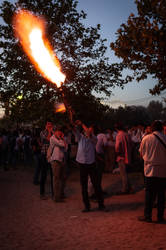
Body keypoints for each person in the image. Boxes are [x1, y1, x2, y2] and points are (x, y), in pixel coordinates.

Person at [74, 120, 105, 212]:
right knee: (83, 186)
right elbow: (76, 131)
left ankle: (101, 204)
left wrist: (82, 124)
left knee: (96, 185)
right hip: (82, 163)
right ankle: (87, 206)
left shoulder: (94, 138)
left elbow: (89, 134)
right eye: (88, 129)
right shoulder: (80, 137)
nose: (89, 131)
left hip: (91, 163)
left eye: (90, 130)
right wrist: (76, 124)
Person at [138, 120, 166, 223]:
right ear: (162, 128)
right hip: (163, 170)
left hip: (150, 170)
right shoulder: (165, 138)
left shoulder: (146, 138)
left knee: (149, 195)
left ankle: (148, 216)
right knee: (161, 195)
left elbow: (141, 154)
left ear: (152, 128)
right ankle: (160, 217)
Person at [48, 126, 67, 202]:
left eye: (60, 131)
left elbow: (66, 148)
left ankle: (61, 194)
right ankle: (56, 197)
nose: (59, 133)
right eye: (58, 131)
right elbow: (63, 145)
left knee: (63, 178)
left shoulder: (61, 139)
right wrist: (62, 140)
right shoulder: (52, 138)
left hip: (62, 160)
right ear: (55, 132)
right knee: (56, 179)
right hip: (55, 161)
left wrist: (62, 140)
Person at [115, 122, 133, 194]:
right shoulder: (127, 134)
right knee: (125, 173)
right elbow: (132, 145)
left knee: (123, 174)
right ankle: (129, 188)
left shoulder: (119, 135)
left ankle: (125, 189)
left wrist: (117, 153)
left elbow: (117, 147)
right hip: (127, 156)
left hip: (121, 157)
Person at [40, 122, 54, 200]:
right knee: (43, 174)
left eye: (51, 125)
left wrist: (52, 132)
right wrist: (49, 131)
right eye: (48, 125)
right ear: (45, 125)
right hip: (44, 155)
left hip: (52, 155)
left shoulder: (53, 132)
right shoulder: (42, 132)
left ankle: (53, 193)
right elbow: (48, 140)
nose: (50, 126)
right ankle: (42, 193)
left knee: (53, 175)